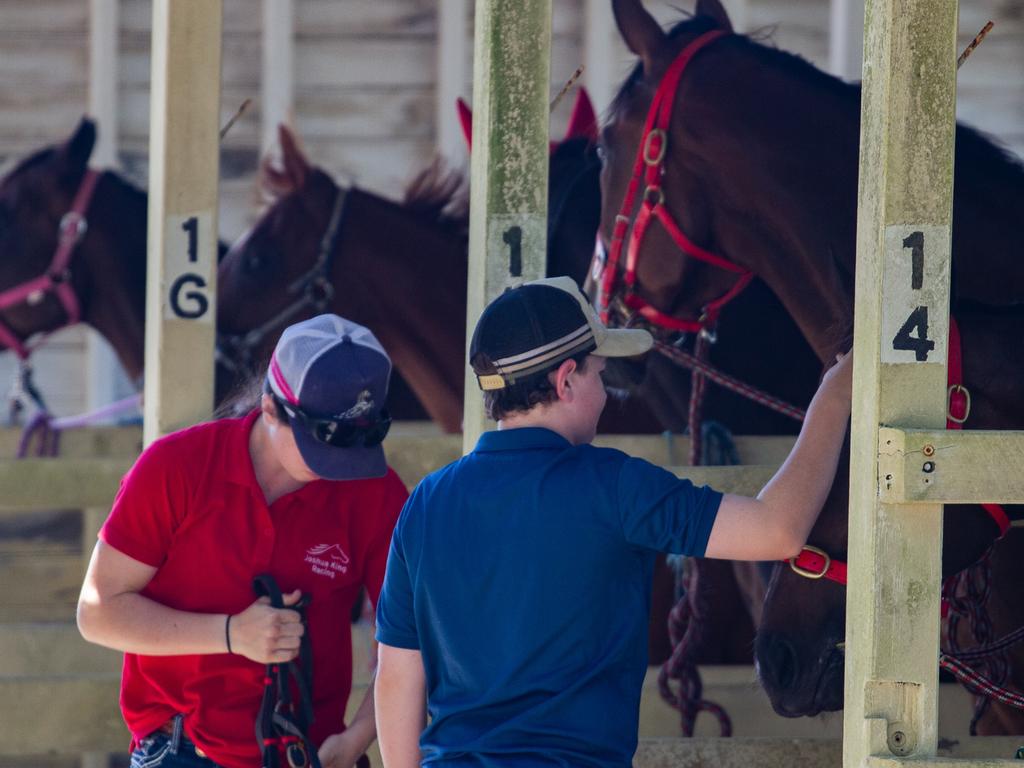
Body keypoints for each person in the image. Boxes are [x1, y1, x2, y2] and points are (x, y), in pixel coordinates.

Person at [373, 276, 853, 767]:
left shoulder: (425, 503)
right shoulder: (615, 486)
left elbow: (395, 677)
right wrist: (834, 398)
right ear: (565, 381)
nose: (604, 394)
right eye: (599, 376)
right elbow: (779, 530)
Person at [77, 314, 409, 768]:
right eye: (323, 440)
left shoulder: (376, 491)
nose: (338, 463)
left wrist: (357, 738)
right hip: (180, 751)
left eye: (360, 441)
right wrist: (232, 634)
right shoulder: (174, 468)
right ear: (270, 407)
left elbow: (411, 637)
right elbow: (97, 612)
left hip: (309, 754)